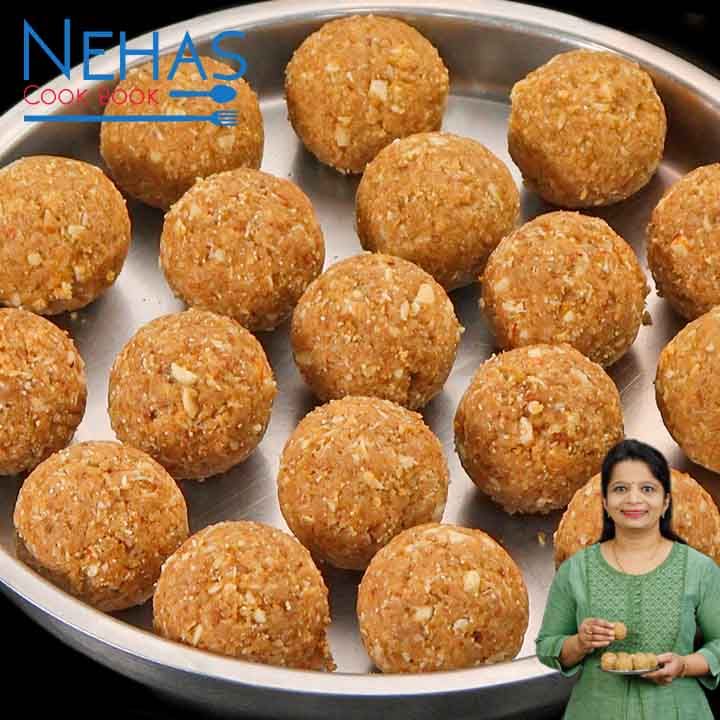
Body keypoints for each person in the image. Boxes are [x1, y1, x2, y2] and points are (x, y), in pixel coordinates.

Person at [536, 438, 720, 718]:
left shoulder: (698, 568)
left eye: (648, 489)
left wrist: (684, 665)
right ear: (605, 502)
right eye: (621, 489)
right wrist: (579, 642)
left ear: (666, 500)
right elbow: (549, 647)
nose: (634, 500)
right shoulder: (578, 569)